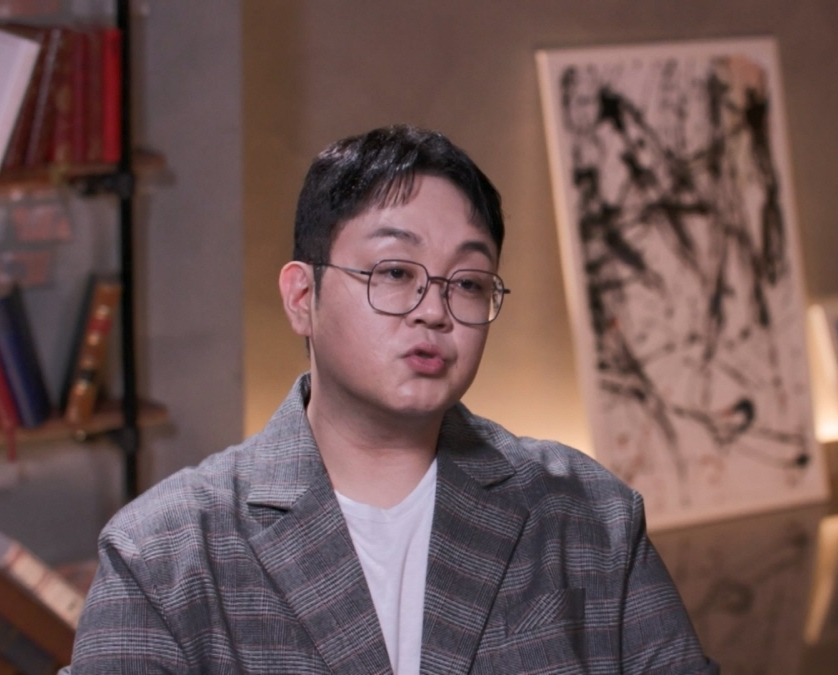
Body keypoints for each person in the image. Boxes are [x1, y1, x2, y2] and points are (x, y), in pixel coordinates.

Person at [66, 125, 716, 674]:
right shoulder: (164, 554)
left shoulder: (589, 515)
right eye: (396, 272)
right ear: (302, 297)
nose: (434, 310)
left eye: (468, 282)